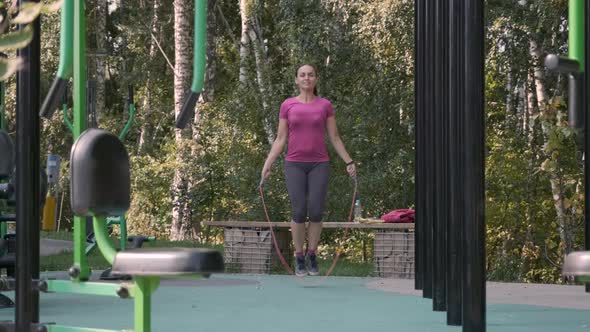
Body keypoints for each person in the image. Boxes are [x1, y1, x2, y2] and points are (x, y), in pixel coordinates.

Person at [261, 64, 356, 277]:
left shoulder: (325, 105)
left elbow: (335, 137)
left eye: (310, 74)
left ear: (316, 79)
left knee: (315, 211)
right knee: (298, 211)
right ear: (296, 80)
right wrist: (267, 164)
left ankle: (312, 254)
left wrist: (349, 161)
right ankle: (299, 256)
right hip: (294, 164)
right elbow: (280, 138)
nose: (306, 78)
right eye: (302, 75)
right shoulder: (287, 105)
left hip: (319, 164)